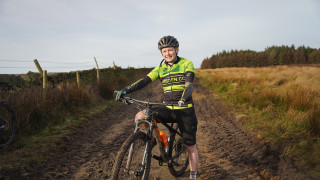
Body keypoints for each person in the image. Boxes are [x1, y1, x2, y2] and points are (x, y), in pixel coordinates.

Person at [115, 35, 199, 180]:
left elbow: (189, 84)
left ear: (176, 50)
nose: (167, 54)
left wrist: (184, 98)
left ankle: (193, 175)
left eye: (170, 50)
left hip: (184, 109)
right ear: (161, 53)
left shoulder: (186, 63)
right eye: (164, 51)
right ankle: (150, 140)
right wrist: (125, 91)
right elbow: (143, 81)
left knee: (190, 146)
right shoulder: (161, 68)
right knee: (141, 116)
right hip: (168, 108)